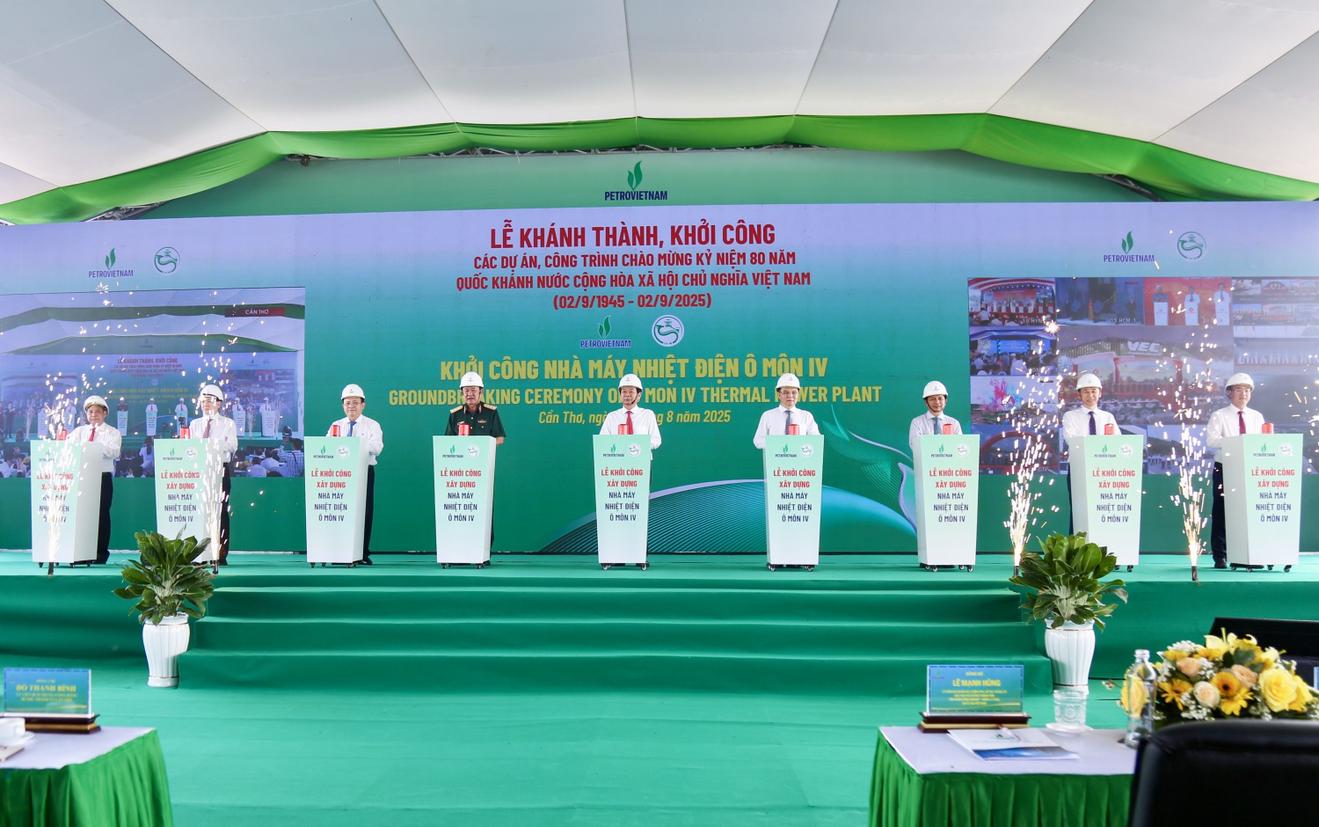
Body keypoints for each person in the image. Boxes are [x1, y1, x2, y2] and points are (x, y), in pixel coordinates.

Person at [1207, 372, 1265, 569]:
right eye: (1239, 390)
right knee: (1222, 510)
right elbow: (1211, 441)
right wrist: (1238, 442)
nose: (1244, 394)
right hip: (1226, 467)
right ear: (1229, 393)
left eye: (1247, 390)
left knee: (1249, 510)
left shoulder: (1257, 416)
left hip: (1250, 468)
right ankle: (1220, 555)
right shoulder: (1219, 415)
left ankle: (1248, 554)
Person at [328, 383, 383, 565]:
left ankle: (362, 553)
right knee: (341, 511)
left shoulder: (372, 425)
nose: (351, 406)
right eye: (347, 403)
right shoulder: (336, 425)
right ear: (343, 405)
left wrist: (352, 446)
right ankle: (340, 552)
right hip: (340, 475)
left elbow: (376, 448)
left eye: (355, 403)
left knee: (364, 512)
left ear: (363, 405)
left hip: (363, 472)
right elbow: (328, 446)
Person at [1061, 373, 1120, 532]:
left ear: (1100, 393)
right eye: (1086, 392)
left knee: (1102, 509)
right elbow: (1071, 440)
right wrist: (1097, 447)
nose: (1090, 395)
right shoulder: (1070, 416)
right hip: (1079, 468)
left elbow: (1116, 442)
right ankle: (1076, 544)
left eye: (1094, 391)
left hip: (1104, 471)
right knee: (1078, 510)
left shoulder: (1108, 417)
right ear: (1079, 394)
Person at [67, 396, 122, 564]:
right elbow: (68, 448)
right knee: (81, 515)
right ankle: (80, 553)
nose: (93, 415)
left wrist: (92, 447)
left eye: (97, 412)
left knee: (101, 515)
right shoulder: (79, 432)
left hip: (102, 477)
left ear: (105, 413)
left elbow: (114, 452)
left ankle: (100, 553)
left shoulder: (112, 432)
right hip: (81, 478)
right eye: (90, 412)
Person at [189, 384, 238, 565]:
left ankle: (220, 553)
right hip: (199, 471)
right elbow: (191, 448)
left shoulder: (228, 423)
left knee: (221, 511)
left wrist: (211, 444)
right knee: (199, 511)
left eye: (210, 401)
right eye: (203, 401)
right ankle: (199, 553)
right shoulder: (194, 424)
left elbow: (232, 446)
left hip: (219, 469)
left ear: (219, 403)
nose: (206, 404)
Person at [752, 373, 819, 448]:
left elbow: (816, 441)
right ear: (779, 395)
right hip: (776, 455)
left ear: (798, 394)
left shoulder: (806, 416)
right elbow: (758, 441)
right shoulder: (768, 415)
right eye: (786, 392)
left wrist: (799, 443)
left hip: (800, 455)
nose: (790, 396)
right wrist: (780, 443)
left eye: (794, 392)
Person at [599, 373, 661, 449]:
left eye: (631, 391)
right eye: (624, 391)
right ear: (620, 394)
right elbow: (602, 442)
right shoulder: (611, 417)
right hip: (618, 456)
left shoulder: (648, 415)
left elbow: (656, 440)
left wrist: (637, 447)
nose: (627, 395)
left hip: (641, 456)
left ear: (639, 395)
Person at [445, 372, 506, 443]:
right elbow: (447, 440)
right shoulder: (455, 414)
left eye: (473, 390)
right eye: (466, 390)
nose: (470, 394)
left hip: (484, 450)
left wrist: (483, 446)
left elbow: (500, 438)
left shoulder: (490, 412)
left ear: (481, 391)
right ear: (462, 393)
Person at [908, 380, 962, 454]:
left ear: (946, 401)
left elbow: (959, 447)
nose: (937, 402)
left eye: (940, 398)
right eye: (932, 399)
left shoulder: (954, 423)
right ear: (926, 402)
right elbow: (915, 446)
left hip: (949, 461)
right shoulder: (917, 422)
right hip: (925, 461)